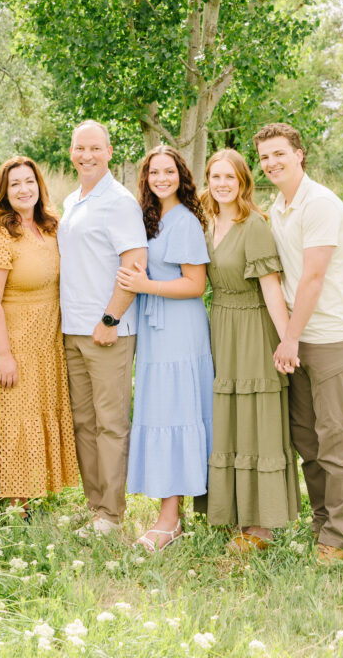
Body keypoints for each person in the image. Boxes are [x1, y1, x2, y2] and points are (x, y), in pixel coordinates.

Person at [254, 122, 343, 564]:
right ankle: (322, 526)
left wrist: (290, 339)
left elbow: (314, 278)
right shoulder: (279, 207)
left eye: (279, 153)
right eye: (265, 157)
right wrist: (291, 338)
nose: (271, 163)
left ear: (299, 154)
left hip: (332, 338)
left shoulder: (320, 204)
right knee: (307, 440)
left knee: (334, 440)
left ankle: (339, 540)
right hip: (298, 339)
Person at [202, 149, 300, 552]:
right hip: (220, 325)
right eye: (215, 176)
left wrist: (287, 341)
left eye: (230, 177)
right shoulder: (207, 221)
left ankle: (261, 526)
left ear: (243, 181)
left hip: (253, 330)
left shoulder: (254, 225)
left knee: (256, 421)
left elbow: (272, 290)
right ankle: (232, 513)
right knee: (228, 419)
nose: (222, 184)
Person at [116, 145, 213, 552]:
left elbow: (196, 284)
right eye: (154, 172)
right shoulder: (149, 218)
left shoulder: (185, 221)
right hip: (155, 329)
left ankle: (169, 520)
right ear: (145, 178)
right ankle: (173, 513)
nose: (161, 178)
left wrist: (146, 285)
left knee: (175, 412)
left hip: (179, 329)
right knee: (161, 411)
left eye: (168, 171)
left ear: (181, 175)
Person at [0, 156, 79, 513]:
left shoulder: (51, 226)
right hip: (14, 342)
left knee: (40, 412)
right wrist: (4, 355)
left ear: (39, 186)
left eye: (29, 181)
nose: (23, 189)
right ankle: (13, 505)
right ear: (4, 192)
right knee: (14, 416)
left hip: (48, 340)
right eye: (15, 184)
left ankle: (33, 493)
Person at [57, 120, 148, 535]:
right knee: (84, 422)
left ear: (109, 152)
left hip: (107, 330)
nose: (87, 155)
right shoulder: (72, 200)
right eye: (80, 148)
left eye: (95, 148)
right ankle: (96, 507)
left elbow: (135, 265)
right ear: (71, 152)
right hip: (73, 329)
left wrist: (111, 319)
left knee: (110, 423)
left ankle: (111, 513)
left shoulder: (119, 202)